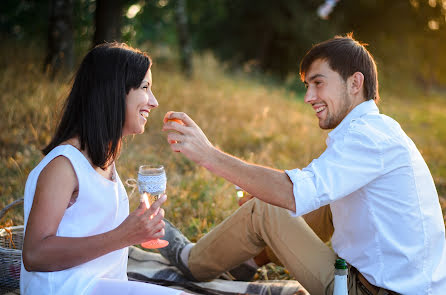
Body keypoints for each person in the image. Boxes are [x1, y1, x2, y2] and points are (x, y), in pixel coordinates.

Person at [160, 34, 446, 294]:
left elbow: (293, 193)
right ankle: (247, 261)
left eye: (318, 83)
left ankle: (190, 261)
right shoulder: (379, 129)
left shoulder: (367, 138)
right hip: (408, 287)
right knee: (319, 207)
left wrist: (208, 154)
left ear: (355, 83)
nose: (309, 97)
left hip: (373, 291)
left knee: (267, 208)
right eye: (307, 86)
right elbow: (312, 194)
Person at [21, 42, 191, 295]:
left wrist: (137, 229)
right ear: (113, 91)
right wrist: (124, 235)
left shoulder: (103, 157)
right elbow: (34, 255)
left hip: (102, 284)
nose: (153, 102)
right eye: (145, 88)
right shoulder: (64, 165)